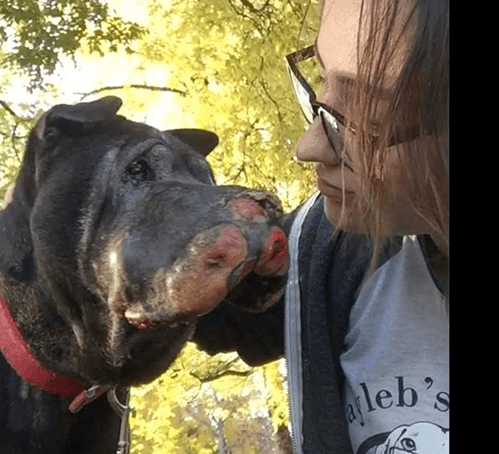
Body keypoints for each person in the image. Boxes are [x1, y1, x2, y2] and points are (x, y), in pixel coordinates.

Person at [192, 0, 449, 453]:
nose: (307, 147)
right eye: (321, 85)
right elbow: (213, 309)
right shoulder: (328, 247)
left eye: (363, 116)